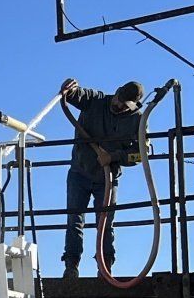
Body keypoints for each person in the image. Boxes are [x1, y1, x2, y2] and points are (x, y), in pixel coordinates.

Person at [58, 78, 144, 278]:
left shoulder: (137, 120)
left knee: (105, 222)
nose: (119, 105)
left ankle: (105, 267)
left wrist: (113, 157)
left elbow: (141, 153)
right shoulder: (96, 101)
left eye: (125, 105)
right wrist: (70, 90)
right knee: (74, 219)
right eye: (119, 100)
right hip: (79, 172)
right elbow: (78, 96)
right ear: (116, 92)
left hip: (108, 178)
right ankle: (71, 265)